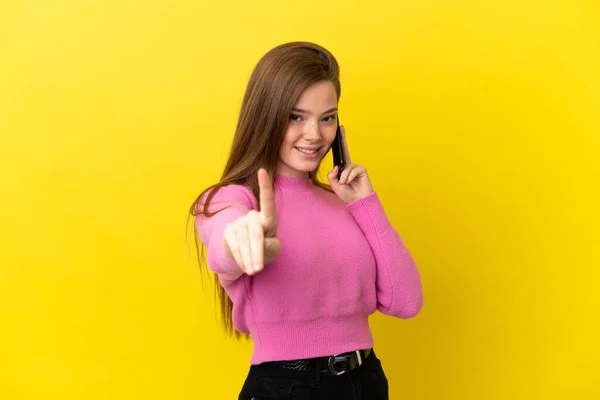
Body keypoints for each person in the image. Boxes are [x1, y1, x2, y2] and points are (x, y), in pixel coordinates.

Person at [191, 41, 423, 400]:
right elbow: (223, 241)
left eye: (327, 117)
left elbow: (406, 301)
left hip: (366, 381)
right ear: (266, 117)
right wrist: (243, 239)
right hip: (287, 388)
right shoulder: (235, 199)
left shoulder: (344, 203)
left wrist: (367, 205)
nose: (315, 135)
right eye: (296, 117)